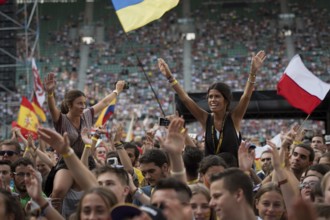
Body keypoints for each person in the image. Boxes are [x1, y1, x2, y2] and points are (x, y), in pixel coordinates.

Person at [157, 50, 266, 158]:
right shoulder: (206, 119)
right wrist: (170, 77)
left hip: (232, 174)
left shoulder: (234, 117)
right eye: (210, 97)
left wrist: (253, 73)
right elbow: (186, 99)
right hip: (210, 173)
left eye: (217, 96)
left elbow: (246, 97)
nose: (212, 100)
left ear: (226, 100)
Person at [43, 72, 125, 212]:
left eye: (84, 103)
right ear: (69, 105)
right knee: (57, 192)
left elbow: (105, 102)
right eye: (79, 103)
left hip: (87, 160)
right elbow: (52, 109)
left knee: (98, 192)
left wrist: (117, 90)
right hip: (68, 161)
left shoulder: (87, 114)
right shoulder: (61, 120)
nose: (83, 106)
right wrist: (50, 94)